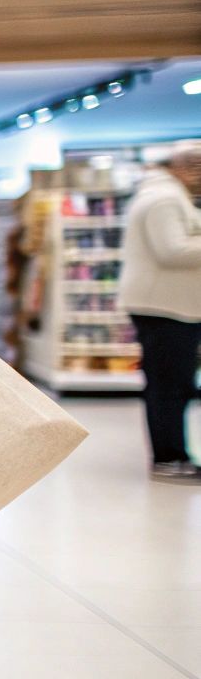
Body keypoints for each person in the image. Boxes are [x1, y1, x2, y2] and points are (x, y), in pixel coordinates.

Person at [119, 145, 201, 482]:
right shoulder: (164, 200)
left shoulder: (165, 195)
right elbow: (172, 250)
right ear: (181, 167)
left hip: (171, 305)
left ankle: (173, 454)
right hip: (165, 307)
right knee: (170, 385)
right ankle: (169, 456)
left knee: (173, 384)